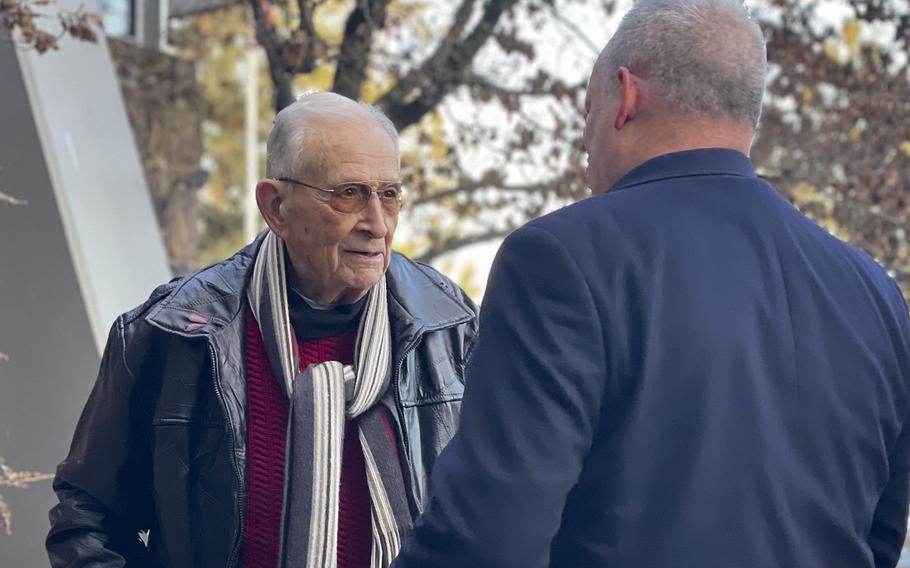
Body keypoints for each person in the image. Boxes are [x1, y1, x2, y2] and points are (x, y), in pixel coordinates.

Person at [392, 1, 910, 567]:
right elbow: (879, 537)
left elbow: (489, 543)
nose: (585, 144)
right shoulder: (876, 295)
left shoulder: (562, 260)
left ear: (625, 97)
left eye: (587, 113)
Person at [46, 92, 478, 568]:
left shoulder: (451, 328)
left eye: (390, 194)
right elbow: (89, 519)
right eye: (349, 194)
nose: (377, 224)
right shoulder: (173, 334)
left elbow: (497, 509)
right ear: (276, 206)